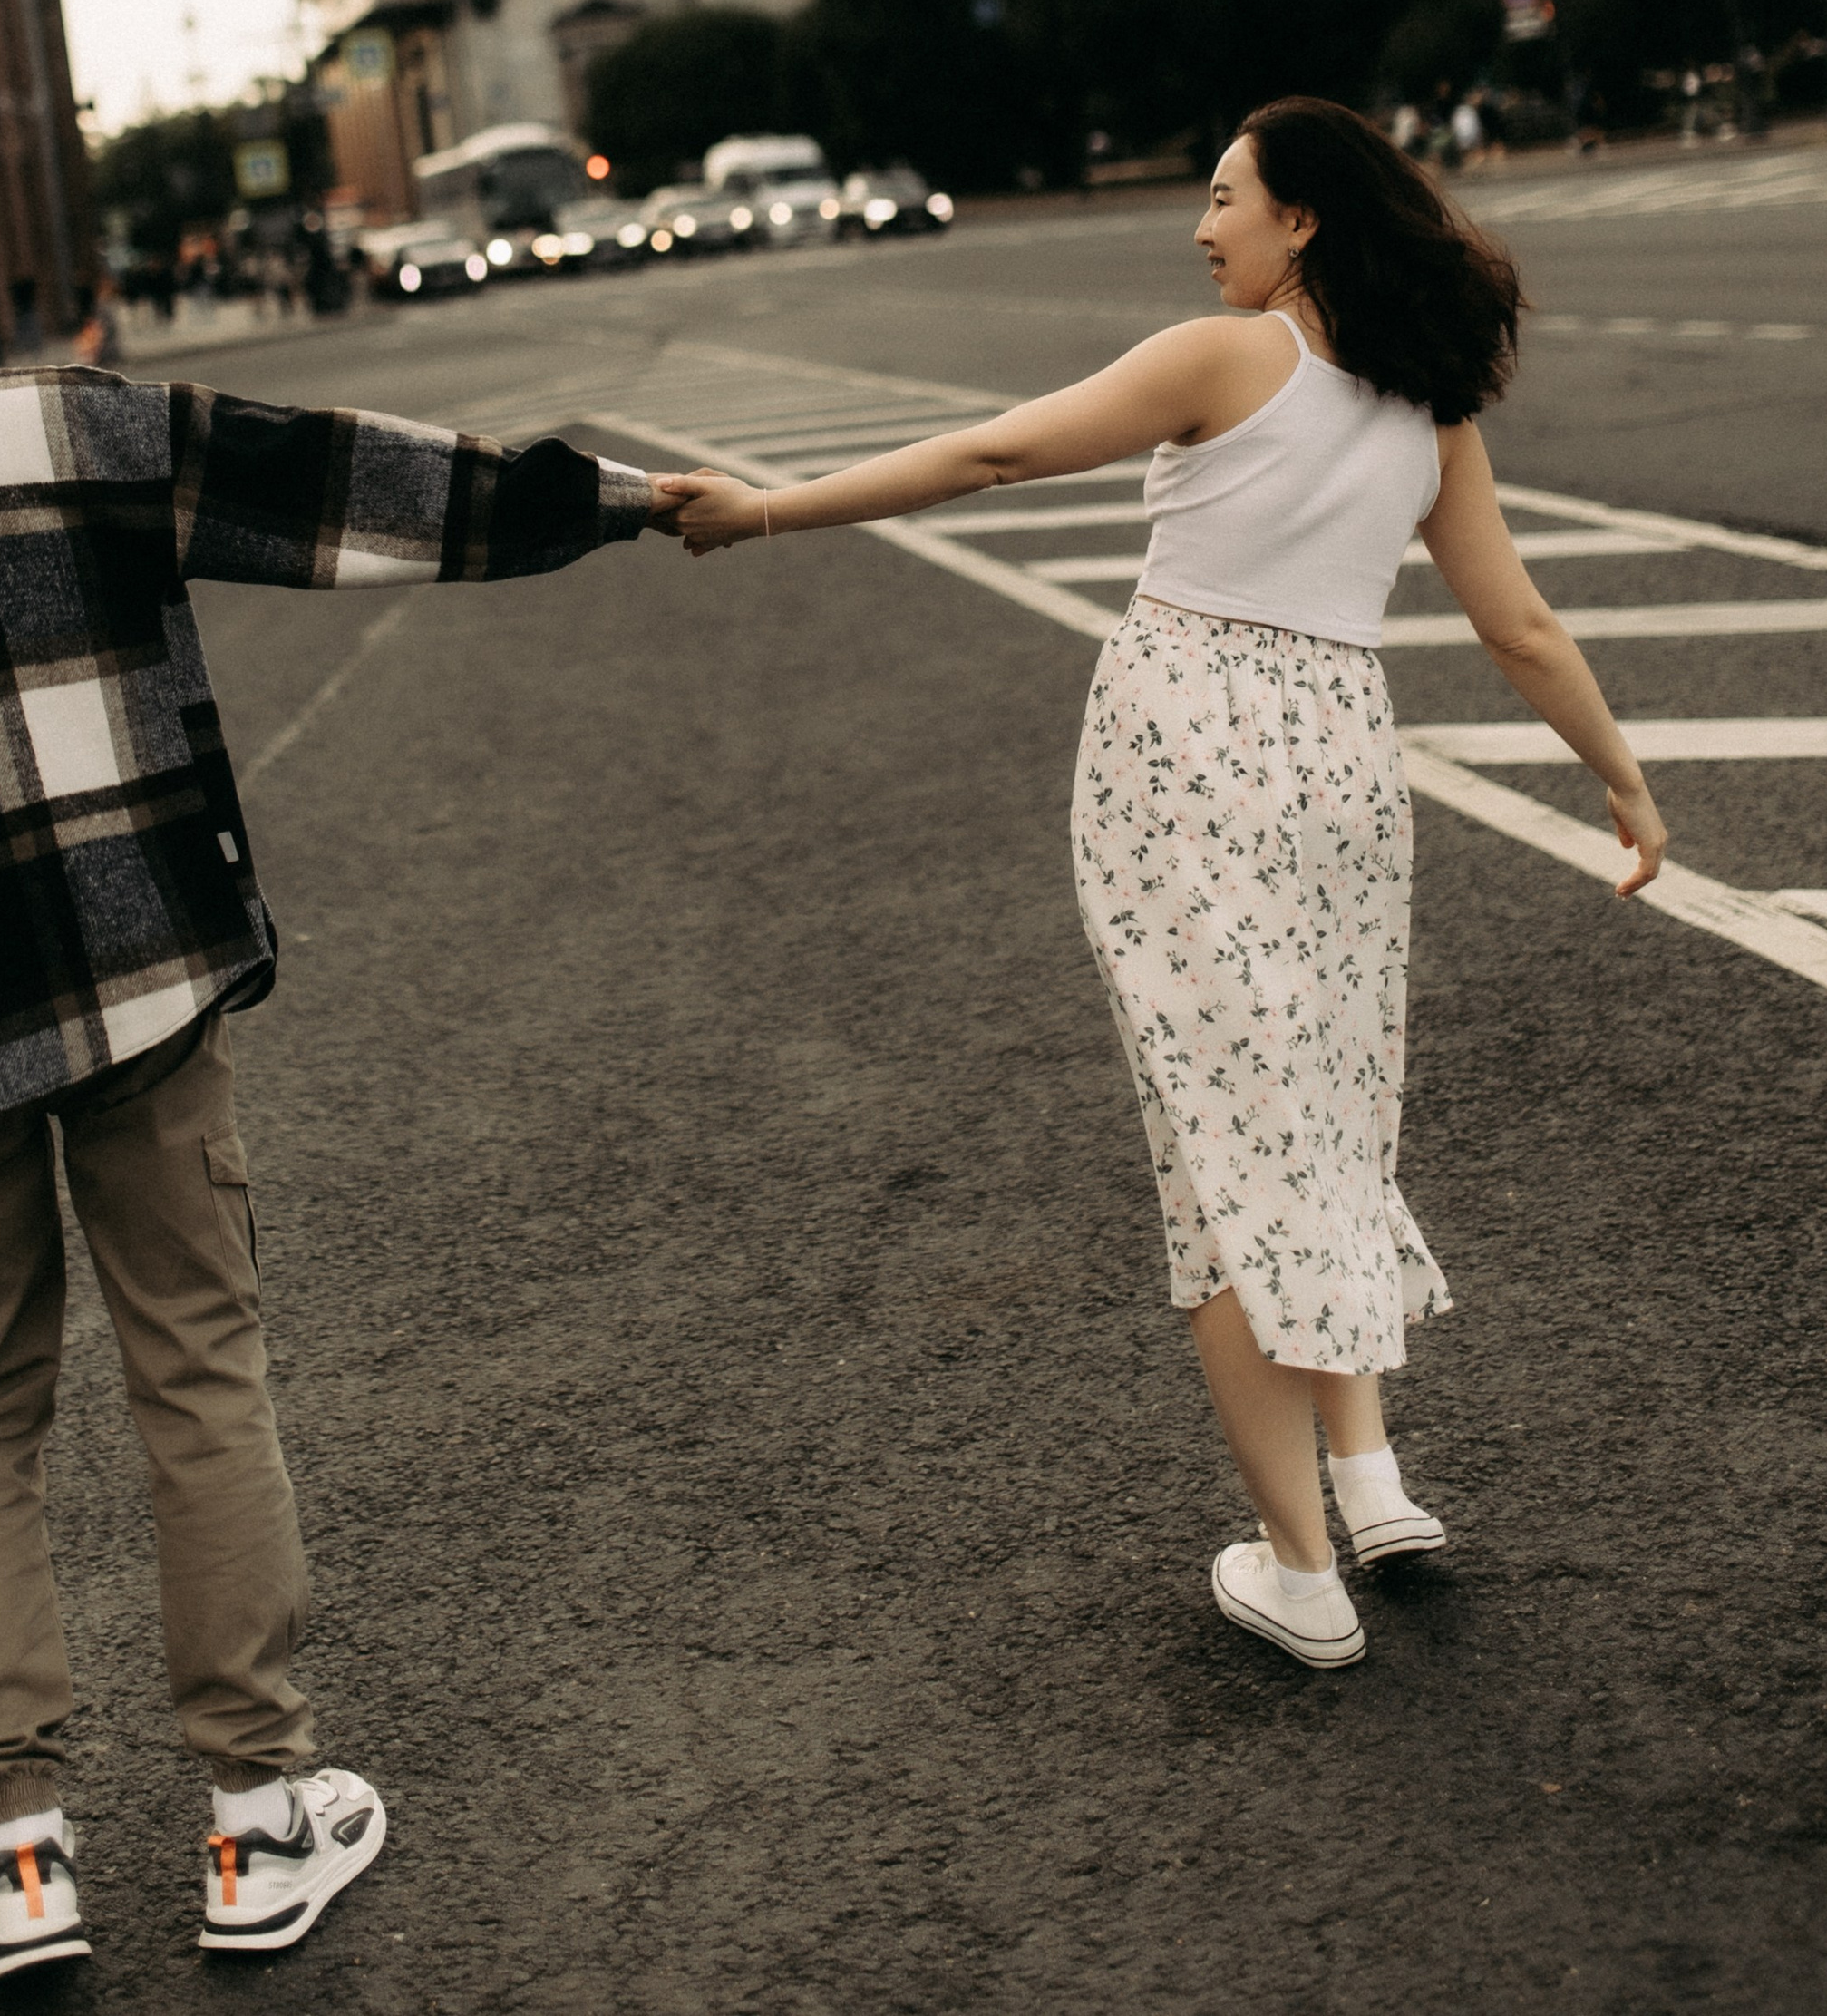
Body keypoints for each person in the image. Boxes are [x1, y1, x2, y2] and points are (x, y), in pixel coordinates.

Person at [0, 131, 676, 1982]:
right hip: (131, 977)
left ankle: (18, 1863)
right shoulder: (60, 429)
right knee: (195, 1370)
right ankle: (257, 1824)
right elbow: (341, 488)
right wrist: (619, 499)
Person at [661, 94, 1667, 1672]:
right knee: (1324, 1104)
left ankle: (1298, 1567)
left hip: (1187, 744)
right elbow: (1518, 624)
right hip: (1342, 757)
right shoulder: (1428, 405)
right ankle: (1372, 1477)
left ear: (1302, 219)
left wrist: (767, 508)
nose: (1203, 228)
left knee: (1221, 1137)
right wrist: (1619, 770)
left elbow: (996, 450)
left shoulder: (1227, 358)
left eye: (1224, 197)